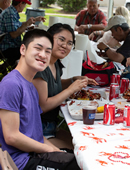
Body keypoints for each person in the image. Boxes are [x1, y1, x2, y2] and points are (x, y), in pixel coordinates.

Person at [0, 29, 80, 170]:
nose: (43, 55)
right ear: (23, 49)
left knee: (78, 158)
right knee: (76, 165)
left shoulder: (30, 85)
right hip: (21, 161)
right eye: (38, 48)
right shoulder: (11, 84)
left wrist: (56, 151)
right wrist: (50, 150)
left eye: (48, 51)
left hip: (35, 153)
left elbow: (36, 134)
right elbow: (11, 136)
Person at [32, 23, 98, 148]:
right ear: (48, 38)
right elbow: (43, 105)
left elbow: (53, 85)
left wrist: (73, 80)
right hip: (38, 130)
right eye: (61, 40)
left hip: (51, 126)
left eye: (69, 43)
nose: (65, 46)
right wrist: (71, 89)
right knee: (80, 151)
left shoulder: (55, 64)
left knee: (87, 143)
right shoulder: (41, 67)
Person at [0, 0, 45, 67]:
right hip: (6, 48)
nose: (25, 6)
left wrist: (32, 21)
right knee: (30, 51)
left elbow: (18, 26)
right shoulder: (10, 13)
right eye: (25, 4)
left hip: (10, 45)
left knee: (30, 47)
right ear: (20, 4)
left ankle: (3, 69)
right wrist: (27, 23)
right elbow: (14, 34)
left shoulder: (12, 12)